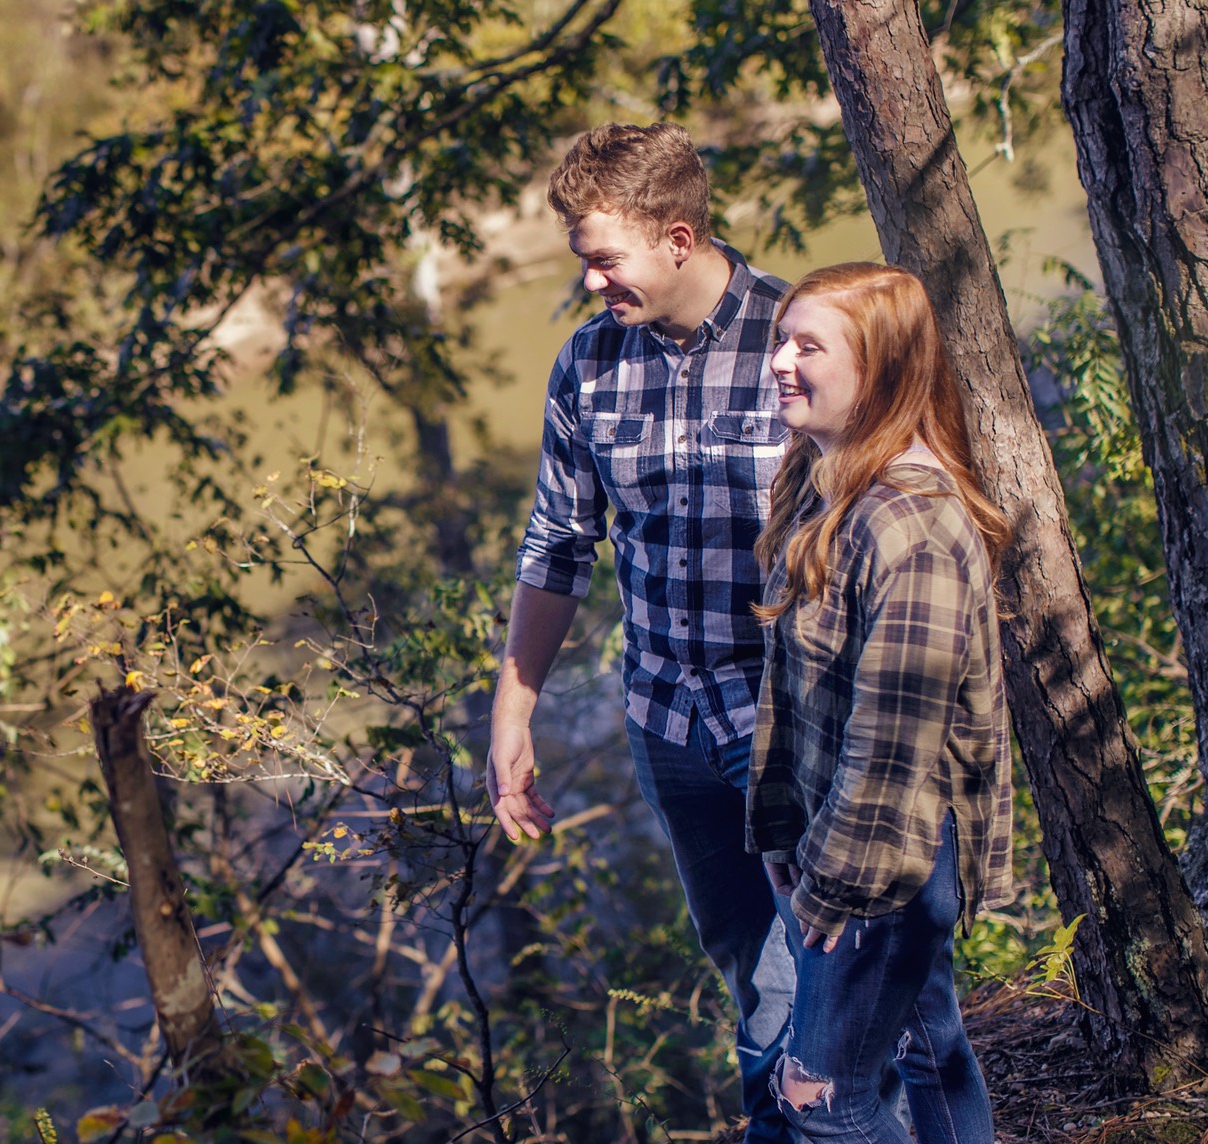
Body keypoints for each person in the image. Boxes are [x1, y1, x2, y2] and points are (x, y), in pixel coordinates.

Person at [487, 122, 800, 1142]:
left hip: (794, 716)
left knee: (834, 964)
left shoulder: (804, 341)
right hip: (668, 719)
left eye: (602, 260)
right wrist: (513, 719)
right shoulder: (588, 362)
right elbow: (557, 544)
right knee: (748, 966)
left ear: (677, 237)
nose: (591, 285)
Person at [746, 262, 1011, 1142]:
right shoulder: (827, 482)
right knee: (925, 1045)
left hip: (880, 864)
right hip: (844, 842)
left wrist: (829, 886)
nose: (780, 360)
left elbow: (892, 749)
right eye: (783, 338)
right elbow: (804, 701)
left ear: (881, 370)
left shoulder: (912, 527)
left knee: (821, 1099)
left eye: (807, 345)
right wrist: (784, 830)